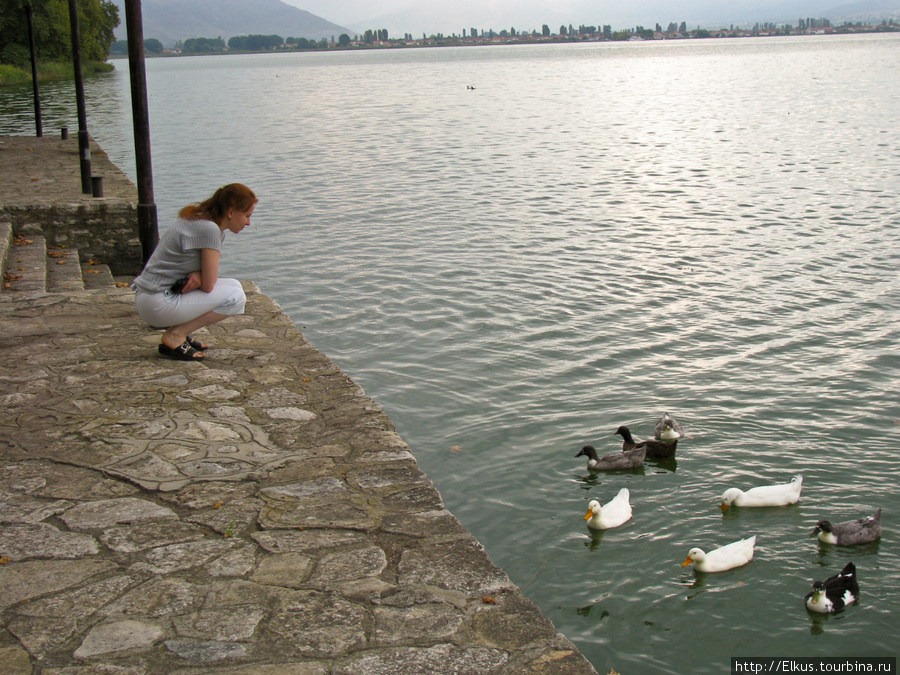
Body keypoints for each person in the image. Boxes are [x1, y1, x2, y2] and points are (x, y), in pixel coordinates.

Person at [132, 183, 258, 360]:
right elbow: (208, 285)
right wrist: (201, 275)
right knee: (236, 298)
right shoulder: (209, 229)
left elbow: (203, 276)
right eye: (247, 215)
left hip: (151, 298)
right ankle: (175, 335)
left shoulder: (202, 221)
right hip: (156, 303)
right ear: (231, 212)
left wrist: (200, 275)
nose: (249, 222)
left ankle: (179, 333)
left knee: (235, 285)